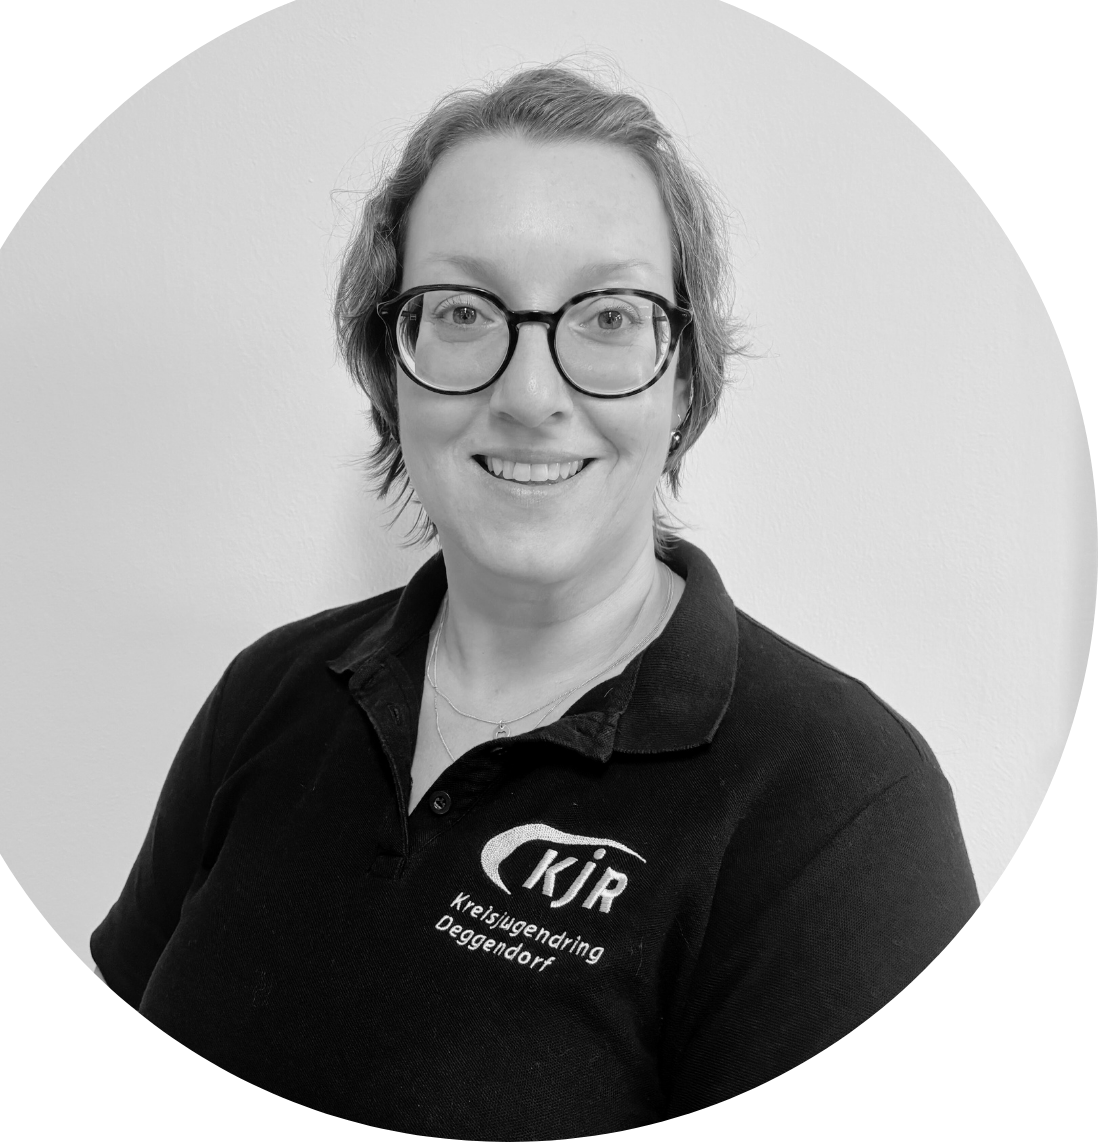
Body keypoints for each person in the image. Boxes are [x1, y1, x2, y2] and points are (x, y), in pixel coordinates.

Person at [91, 64, 979, 1135]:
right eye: (464, 310)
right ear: (390, 364)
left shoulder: (841, 807)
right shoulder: (268, 691)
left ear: (682, 376)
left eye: (606, 315)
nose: (528, 392)